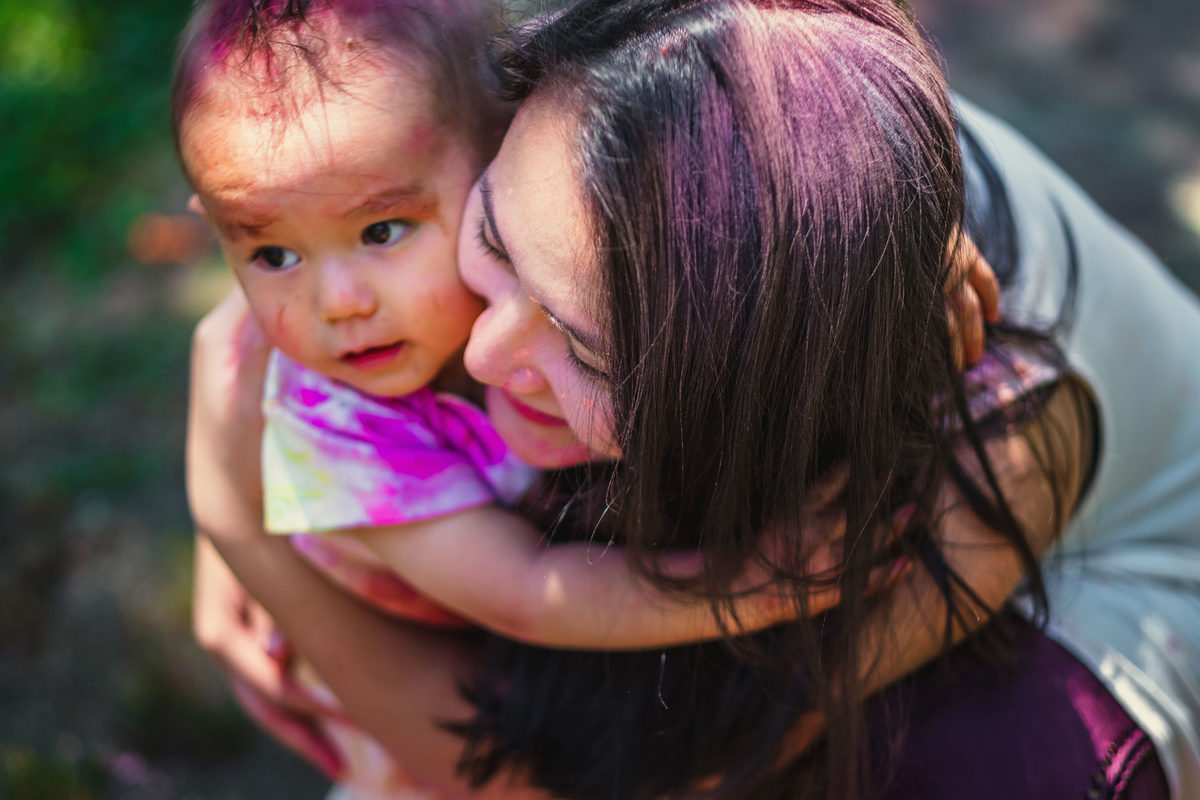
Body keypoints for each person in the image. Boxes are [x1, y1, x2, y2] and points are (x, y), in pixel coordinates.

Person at [188, 0, 1198, 797]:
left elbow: (567, 775)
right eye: (494, 241)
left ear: (754, 388)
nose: (488, 356)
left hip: (1109, 582)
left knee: (976, 761)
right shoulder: (658, 81)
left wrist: (246, 521)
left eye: (588, 351)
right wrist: (257, 449)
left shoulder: (989, 440)